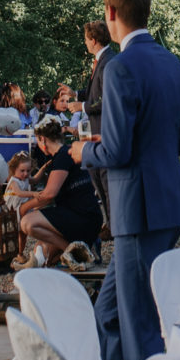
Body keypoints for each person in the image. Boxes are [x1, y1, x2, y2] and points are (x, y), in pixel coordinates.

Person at [72, 0, 180, 360]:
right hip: (169, 204)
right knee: (108, 313)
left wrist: (83, 152)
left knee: (139, 321)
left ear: (111, 15)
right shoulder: (171, 63)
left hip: (137, 210)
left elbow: (118, 150)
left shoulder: (120, 68)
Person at [19, 116, 104, 260]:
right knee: (44, 253)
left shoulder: (61, 157)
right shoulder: (67, 152)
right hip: (88, 215)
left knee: (27, 223)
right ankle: (82, 248)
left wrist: (24, 208)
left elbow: (49, 194)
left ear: (42, 139)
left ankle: (75, 252)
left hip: (82, 217)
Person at [81, 20, 114, 231]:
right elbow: (95, 93)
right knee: (96, 174)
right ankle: (109, 221)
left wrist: (82, 106)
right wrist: (75, 95)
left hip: (104, 129)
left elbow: (107, 99)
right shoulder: (100, 61)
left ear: (93, 40)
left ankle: (113, 223)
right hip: (95, 128)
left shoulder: (109, 62)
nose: (85, 43)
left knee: (105, 177)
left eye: (86, 39)